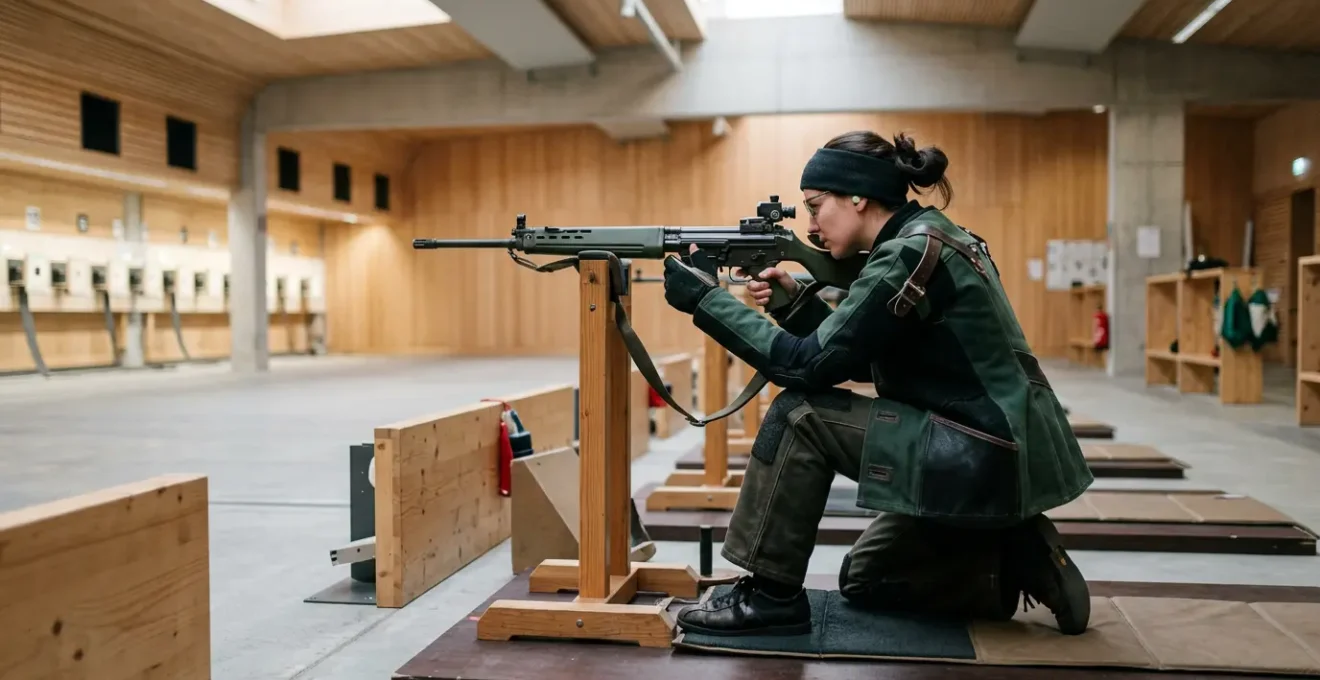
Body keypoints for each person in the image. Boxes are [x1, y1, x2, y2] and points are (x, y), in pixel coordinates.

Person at [660, 130, 1095, 637]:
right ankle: (1013, 556)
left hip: (980, 450)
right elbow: (864, 357)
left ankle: (770, 596)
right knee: (868, 579)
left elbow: (806, 370)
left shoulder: (908, 256)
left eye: (816, 206)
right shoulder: (934, 237)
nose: (812, 226)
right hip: (993, 448)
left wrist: (706, 302)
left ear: (858, 196)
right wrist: (793, 305)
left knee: (800, 414)